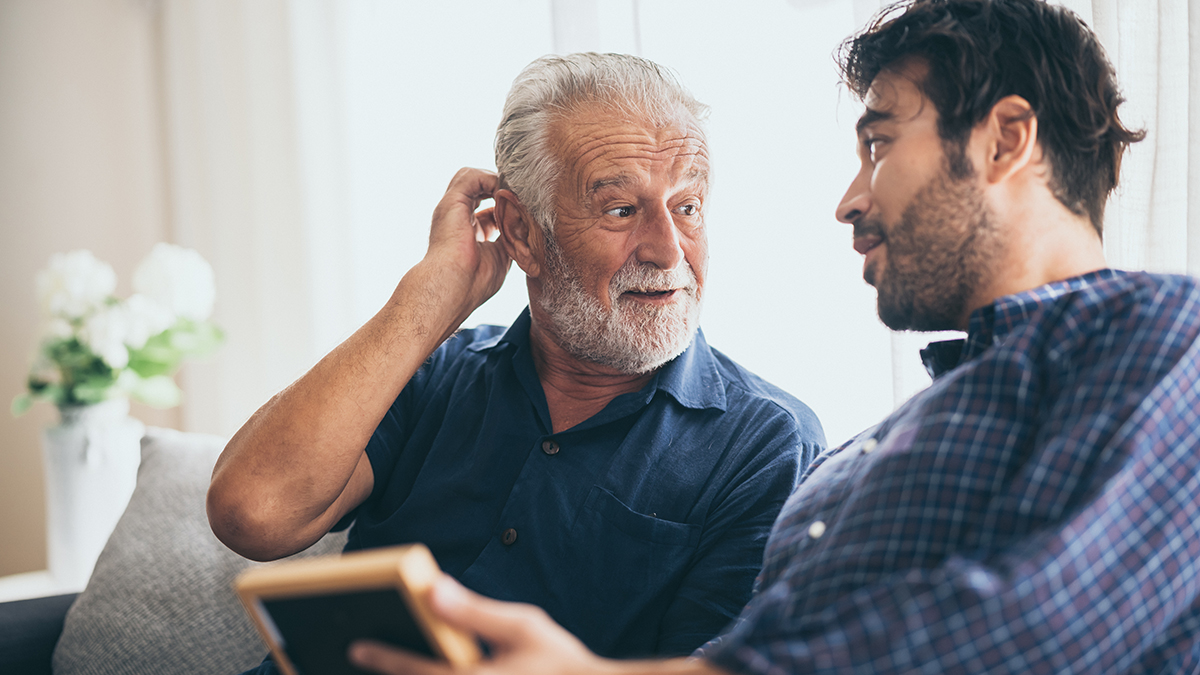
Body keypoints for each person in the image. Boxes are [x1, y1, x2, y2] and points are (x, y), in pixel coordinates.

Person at [342, 1, 1200, 674]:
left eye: (879, 143)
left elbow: (1036, 629)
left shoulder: (1171, 342)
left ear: (1006, 140)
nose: (850, 200)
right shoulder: (892, 440)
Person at [206, 52, 826, 667]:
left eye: (687, 207)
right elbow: (251, 513)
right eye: (621, 210)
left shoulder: (765, 442)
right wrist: (428, 299)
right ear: (523, 233)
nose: (668, 250)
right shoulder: (437, 374)